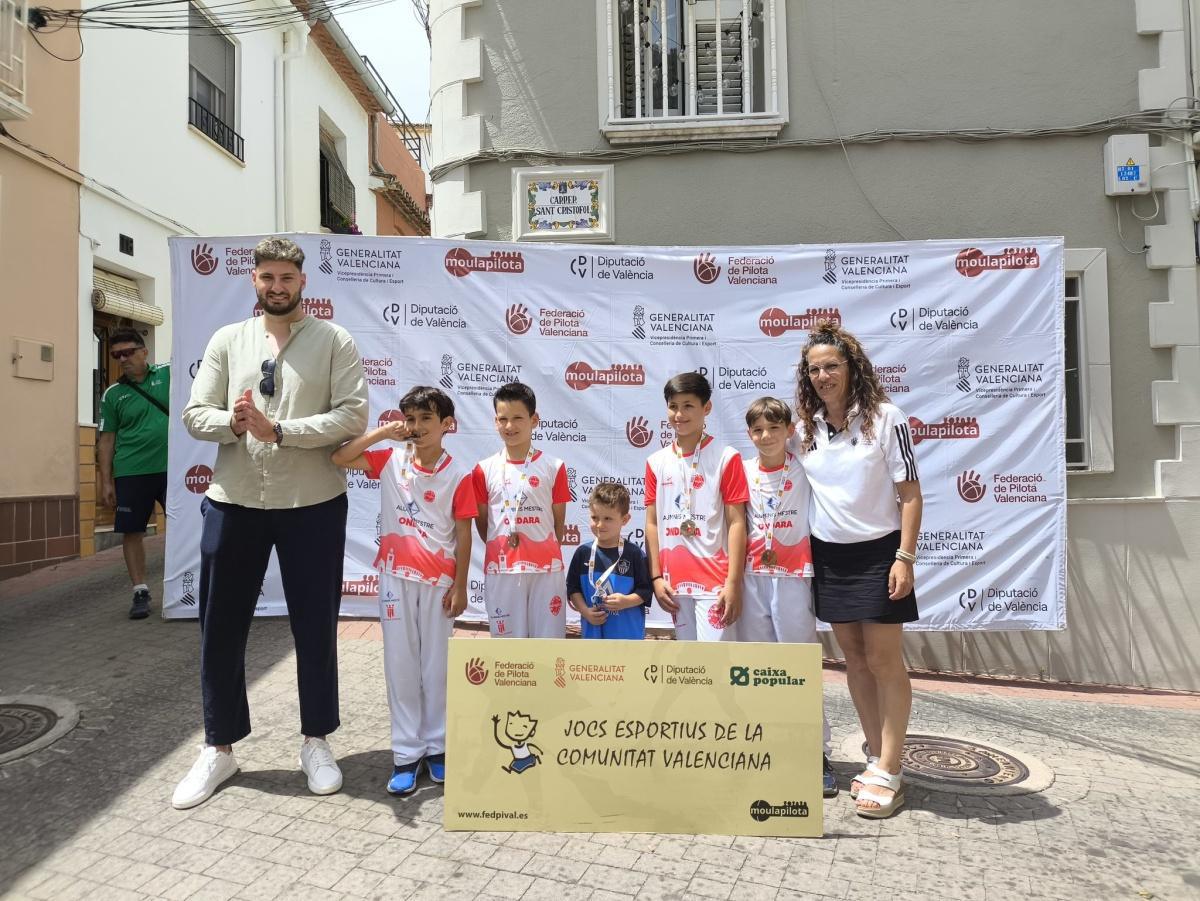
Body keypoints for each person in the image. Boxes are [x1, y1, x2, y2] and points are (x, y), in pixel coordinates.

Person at [173, 236, 368, 810]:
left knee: (315, 626)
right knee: (220, 627)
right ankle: (219, 747)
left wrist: (280, 430)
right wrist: (235, 424)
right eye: (267, 278)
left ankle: (316, 741)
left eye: (286, 277)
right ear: (253, 281)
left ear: (303, 281)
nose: (276, 287)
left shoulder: (335, 340)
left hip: (313, 503)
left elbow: (352, 416)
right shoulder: (226, 340)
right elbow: (194, 413)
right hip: (233, 499)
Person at [792, 321, 922, 819]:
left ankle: (892, 767)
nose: (823, 376)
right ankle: (875, 757)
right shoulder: (805, 428)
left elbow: (910, 494)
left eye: (831, 366)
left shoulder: (886, 418)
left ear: (852, 367)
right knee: (855, 660)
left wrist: (904, 557)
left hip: (879, 555)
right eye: (814, 369)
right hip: (829, 557)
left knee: (885, 662)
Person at [330, 386, 474, 796]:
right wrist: (382, 433)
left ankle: (438, 748)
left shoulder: (459, 475)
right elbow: (339, 457)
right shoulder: (391, 460)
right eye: (411, 419)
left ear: (447, 424)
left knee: (436, 667)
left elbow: (464, 535)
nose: (417, 426)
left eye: (427, 418)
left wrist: (460, 586)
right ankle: (407, 754)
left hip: (439, 582)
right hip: (395, 577)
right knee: (401, 665)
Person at [741, 396, 837, 798]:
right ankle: (765, 748)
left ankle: (816, 753)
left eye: (774, 428)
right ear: (749, 434)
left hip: (794, 576)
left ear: (789, 431)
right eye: (758, 430)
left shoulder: (804, 466)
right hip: (751, 578)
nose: (766, 436)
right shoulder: (741, 470)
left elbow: (812, 423)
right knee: (758, 669)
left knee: (800, 666)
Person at [645, 372, 748, 641]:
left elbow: (737, 522)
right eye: (673, 406)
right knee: (690, 662)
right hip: (674, 584)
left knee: (716, 661)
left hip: (716, 584)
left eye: (688, 406)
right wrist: (656, 578)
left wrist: (733, 583)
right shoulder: (656, 462)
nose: (679, 414)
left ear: (707, 407)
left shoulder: (727, 457)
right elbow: (652, 523)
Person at [473, 382, 569, 638]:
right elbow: (483, 524)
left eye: (517, 418)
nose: (510, 426)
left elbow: (558, 524)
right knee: (508, 649)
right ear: (495, 421)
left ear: (534, 420)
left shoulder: (554, 466)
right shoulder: (484, 469)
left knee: (549, 645)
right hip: (502, 570)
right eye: (503, 419)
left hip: (546, 571)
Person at [98, 328, 170, 619]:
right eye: (116, 355)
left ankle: (192, 585)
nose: (123, 359)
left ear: (144, 351)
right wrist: (106, 481)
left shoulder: (169, 374)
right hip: (131, 472)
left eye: (128, 352)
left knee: (186, 526)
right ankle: (140, 591)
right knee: (132, 531)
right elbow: (107, 440)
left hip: (173, 468)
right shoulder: (113, 394)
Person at [566, 482, 653, 640]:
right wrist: (585, 611)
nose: (600, 524)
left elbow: (645, 591)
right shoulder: (582, 553)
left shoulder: (634, 554)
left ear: (625, 519)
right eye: (594, 518)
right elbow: (573, 589)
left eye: (607, 518)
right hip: (592, 636)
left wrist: (626, 601)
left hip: (628, 638)